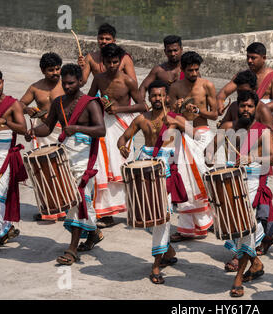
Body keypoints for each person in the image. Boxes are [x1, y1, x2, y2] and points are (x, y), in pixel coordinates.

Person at [25, 64, 106, 265]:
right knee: (74, 198)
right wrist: (34, 132)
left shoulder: (90, 103)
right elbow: (48, 127)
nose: (68, 86)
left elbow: (101, 130)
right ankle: (93, 231)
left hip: (86, 157)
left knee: (78, 198)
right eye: (65, 83)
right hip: (65, 155)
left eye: (72, 83)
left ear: (80, 82)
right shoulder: (59, 102)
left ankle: (72, 249)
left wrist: (77, 127)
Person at [117, 79, 188, 284]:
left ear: (167, 97)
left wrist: (181, 116)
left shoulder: (175, 119)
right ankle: (167, 250)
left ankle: (156, 266)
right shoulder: (141, 119)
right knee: (145, 216)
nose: (157, 99)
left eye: (160, 95)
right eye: (153, 95)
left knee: (162, 219)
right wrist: (122, 147)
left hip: (164, 173)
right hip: (143, 171)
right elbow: (123, 138)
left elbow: (192, 129)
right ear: (149, 97)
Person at [209, 90, 273, 297]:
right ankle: (255, 264)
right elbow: (208, 155)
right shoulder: (229, 128)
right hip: (232, 184)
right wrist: (212, 157)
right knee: (235, 228)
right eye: (243, 106)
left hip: (253, 184)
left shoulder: (264, 132)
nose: (246, 109)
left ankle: (238, 279)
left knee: (246, 229)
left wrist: (253, 157)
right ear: (237, 107)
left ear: (255, 108)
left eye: (249, 106)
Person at [88, 43, 146, 228]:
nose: (112, 65)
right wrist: (99, 102)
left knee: (123, 167)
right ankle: (106, 214)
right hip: (104, 125)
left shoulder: (128, 81)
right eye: (108, 62)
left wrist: (118, 108)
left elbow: (143, 105)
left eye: (115, 62)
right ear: (102, 62)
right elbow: (88, 100)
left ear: (120, 61)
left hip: (123, 126)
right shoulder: (98, 79)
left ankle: (134, 210)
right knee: (103, 168)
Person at [167, 51, 218, 241]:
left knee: (204, 178)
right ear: (183, 69)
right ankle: (186, 229)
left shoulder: (207, 85)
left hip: (202, 133)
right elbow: (169, 114)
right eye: (190, 70)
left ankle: (209, 221)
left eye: (197, 69)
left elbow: (215, 115)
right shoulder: (175, 87)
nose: (194, 73)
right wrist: (178, 107)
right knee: (185, 182)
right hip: (182, 135)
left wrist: (196, 110)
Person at [20, 52, 66, 221]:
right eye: (51, 70)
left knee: (62, 169)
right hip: (41, 132)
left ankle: (65, 206)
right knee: (42, 170)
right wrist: (28, 110)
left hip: (61, 132)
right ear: (42, 71)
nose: (55, 73)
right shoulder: (35, 88)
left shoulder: (65, 86)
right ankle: (48, 209)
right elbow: (20, 103)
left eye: (57, 69)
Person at [216, 42, 273, 140]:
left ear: (264, 58)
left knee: (262, 151)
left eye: (253, 58)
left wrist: (254, 110)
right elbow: (223, 93)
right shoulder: (242, 76)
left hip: (261, 122)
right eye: (248, 57)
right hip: (241, 122)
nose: (249, 61)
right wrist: (220, 103)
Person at [0, 67, 27, 256]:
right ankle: (3, 229)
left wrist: (4, 123)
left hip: (3, 155)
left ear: (3, 81)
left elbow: (23, 129)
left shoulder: (13, 104)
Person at [138, 35, 184, 110]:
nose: (172, 54)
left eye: (175, 50)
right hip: (162, 112)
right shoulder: (158, 70)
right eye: (169, 51)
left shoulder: (188, 70)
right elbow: (143, 87)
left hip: (183, 112)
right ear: (165, 51)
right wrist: (142, 104)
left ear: (181, 49)